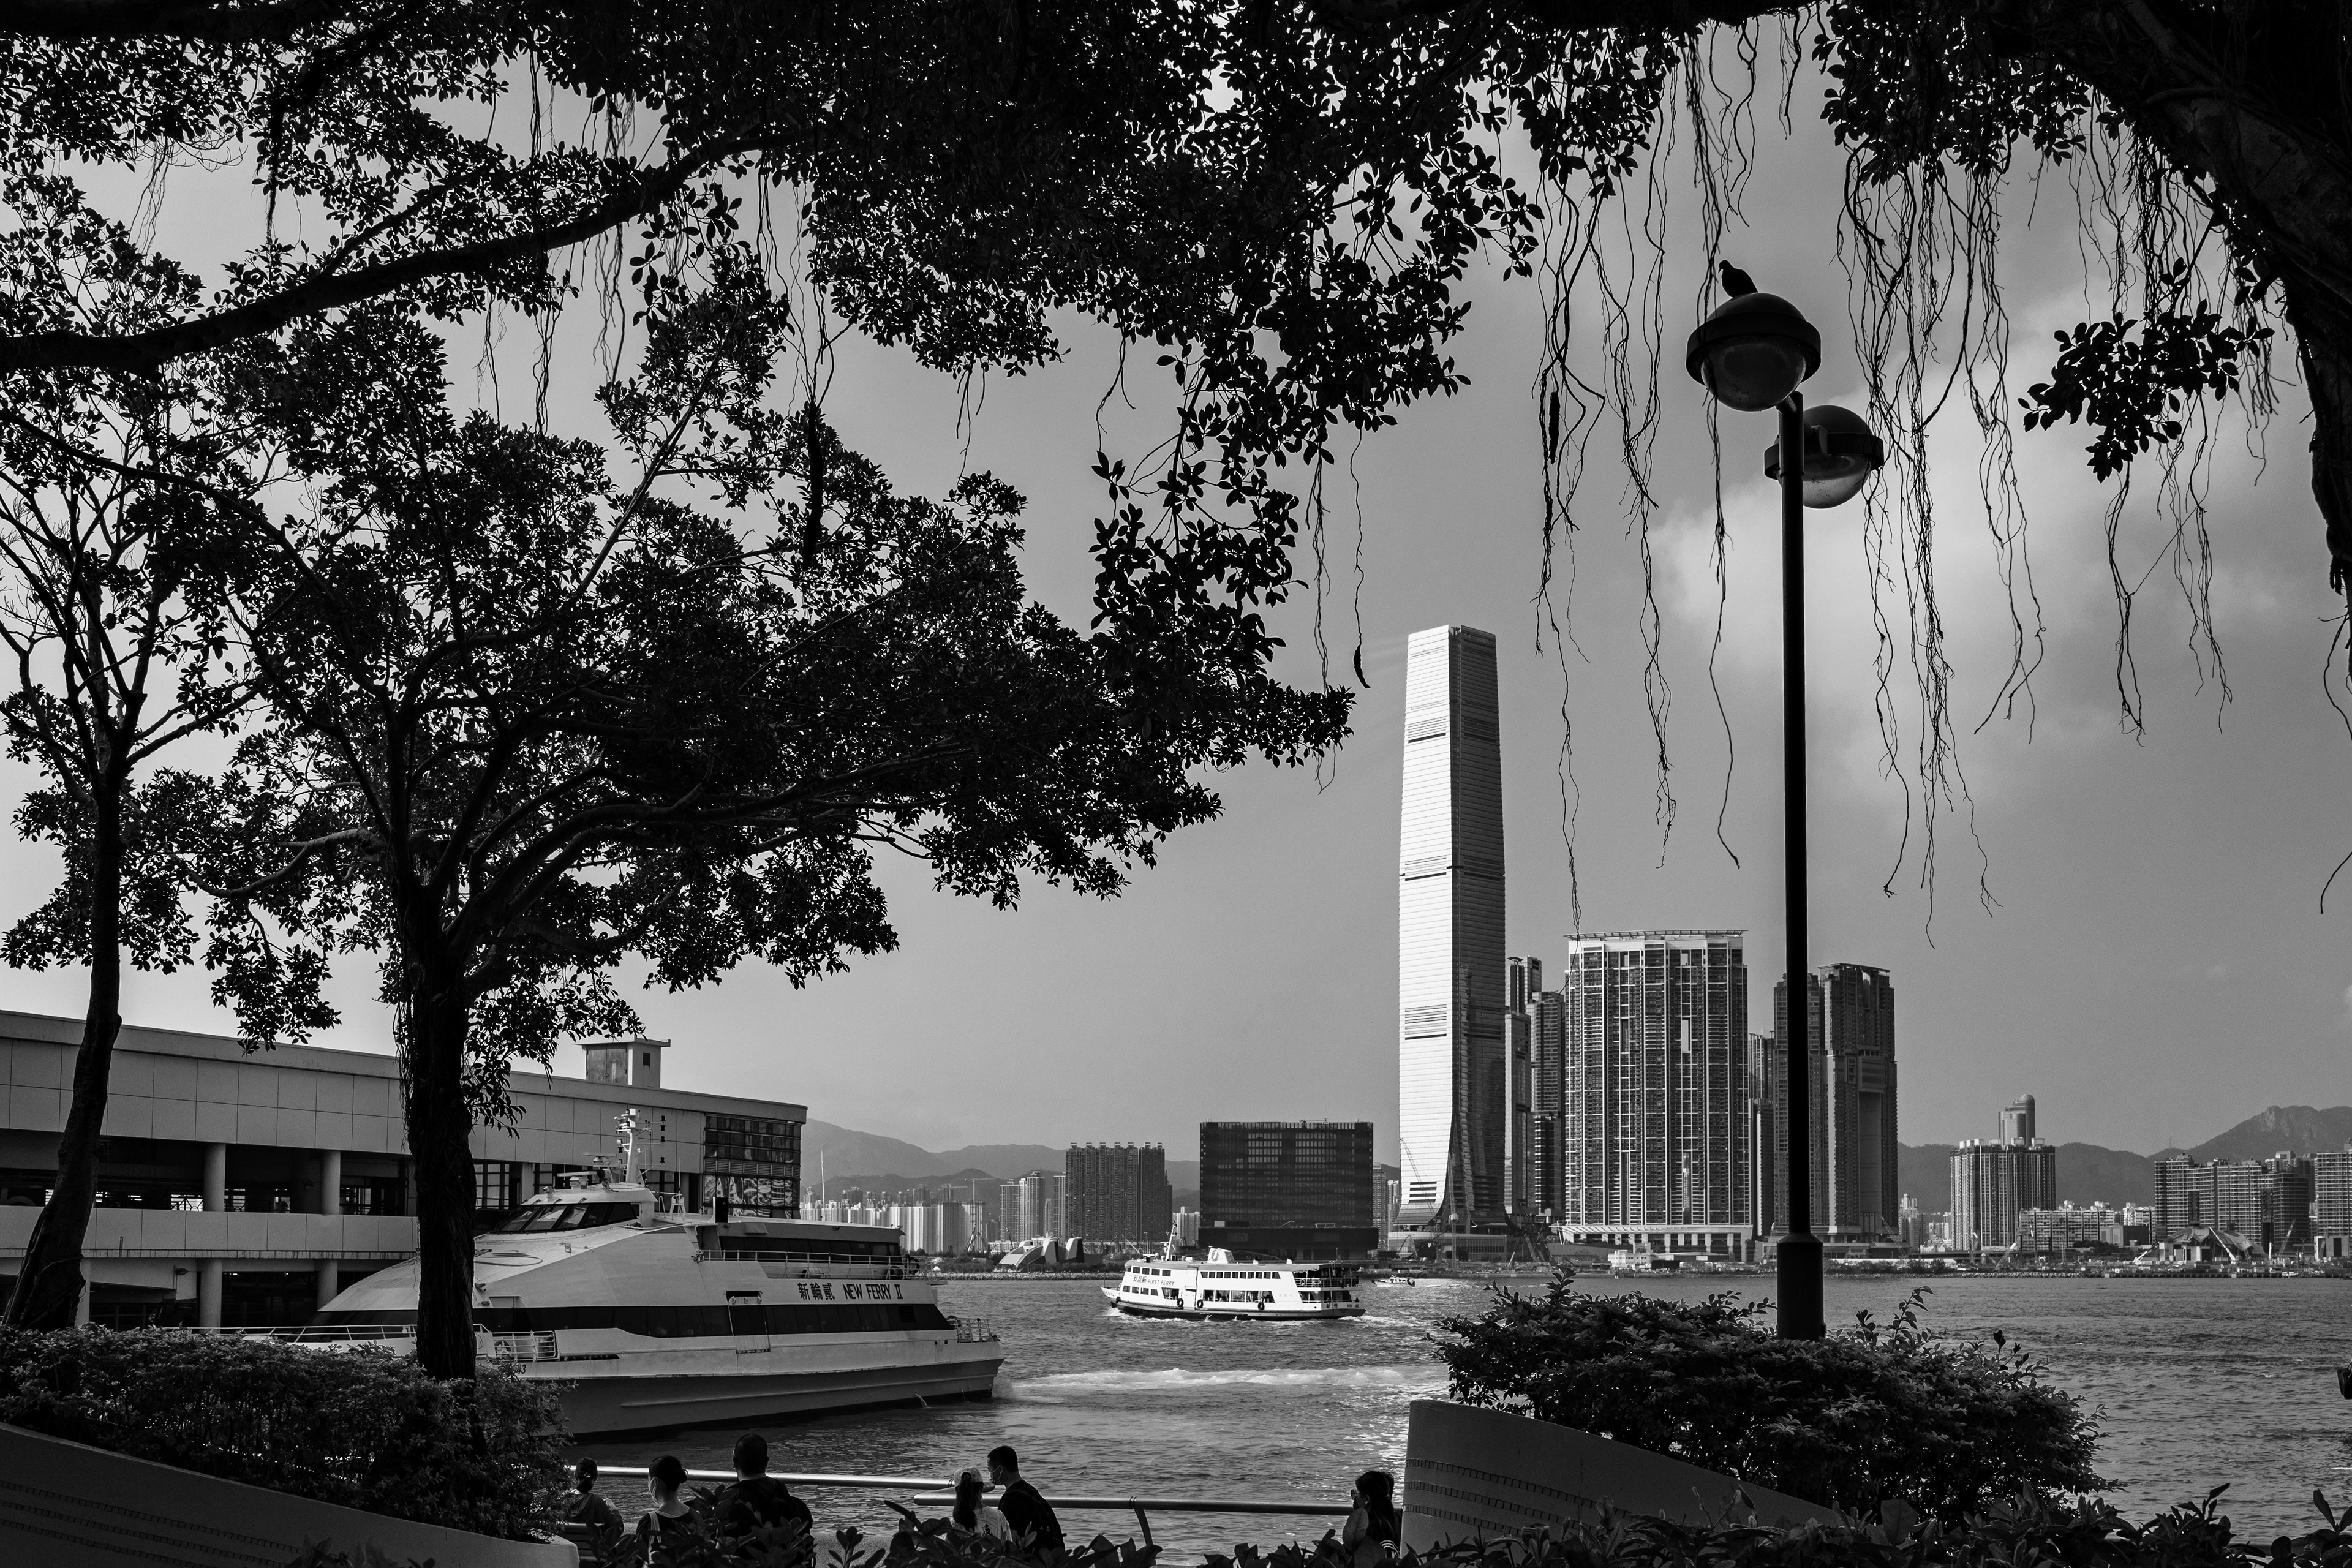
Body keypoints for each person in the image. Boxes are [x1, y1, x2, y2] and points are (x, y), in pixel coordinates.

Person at [717, 1433, 813, 1537]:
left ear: (734, 1462)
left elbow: (725, 1545)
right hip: (776, 1551)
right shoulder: (779, 1487)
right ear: (767, 1461)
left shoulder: (731, 1497)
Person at [987, 1446, 1063, 1557]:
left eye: (990, 1470)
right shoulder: (1031, 1491)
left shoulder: (1009, 1500)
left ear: (1000, 1470)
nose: (990, 1476)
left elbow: (1009, 1543)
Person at [636, 1454, 697, 1548]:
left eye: (648, 1480)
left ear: (654, 1482)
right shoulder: (696, 1516)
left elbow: (639, 1558)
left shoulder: (649, 1522)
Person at [1342, 1470, 1398, 1568]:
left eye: (1357, 1495)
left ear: (1367, 1499)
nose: (1355, 1501)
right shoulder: (1391, 1522)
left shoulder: (1373, 1528)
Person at [952, 1470, 1012, 1541]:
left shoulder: (952, 1525)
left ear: (957, 1491)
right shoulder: (999, 1517)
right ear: (981, 1488)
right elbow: (1009, 1547)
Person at [567, 1459, 623, 1534]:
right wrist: (614, 1509)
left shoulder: (563, 1500)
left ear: (575, 1476)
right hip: (591, 1545)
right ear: (596, 1477)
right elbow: (618, 1529)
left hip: (566, 1545)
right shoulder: (597, 1502)